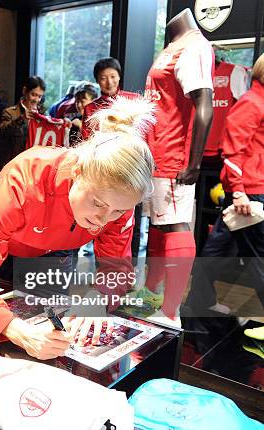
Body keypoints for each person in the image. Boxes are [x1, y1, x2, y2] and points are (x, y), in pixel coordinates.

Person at [0, 96, 156, 360]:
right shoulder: (25, 179)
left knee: (52, 332)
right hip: (3, 240)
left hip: (57, 248)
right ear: (78, 171)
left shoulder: (119, 202)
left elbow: (117, 269)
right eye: (97, 203)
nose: (103, 220)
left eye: (118, 211)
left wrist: (97, 299)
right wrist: (15, 330)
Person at [142, 9, 214, 324]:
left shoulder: (194, 46)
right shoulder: (173, 45)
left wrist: (194, 162)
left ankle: (170, 311)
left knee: (175, 225)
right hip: (155, 155)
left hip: (173, 157)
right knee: (158, 225)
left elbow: (203, 102)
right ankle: (151, 292)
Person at [218, 53, 264, 304]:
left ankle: (198, 313)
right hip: (247, 191)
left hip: (250, 188)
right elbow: (233, 149)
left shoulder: (258, 100)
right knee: (255, 255)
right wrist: (238, 190)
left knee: (221, 252)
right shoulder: (252, 102)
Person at [81, 58, 138, 140]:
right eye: (103, 78)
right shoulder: (90, 109)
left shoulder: (134, 100)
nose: (109, 82)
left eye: (113, 76)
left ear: (119, 77)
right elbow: (86, 139)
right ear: (97, 80)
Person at [0, 76, 45, 167]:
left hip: (35, 165)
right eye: (33, 94)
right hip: (14, 165)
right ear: (24, 91)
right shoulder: (10, 112)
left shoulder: (43, 115)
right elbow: (3, 132)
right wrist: (21, 119)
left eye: (40, 96)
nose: (36, 100)